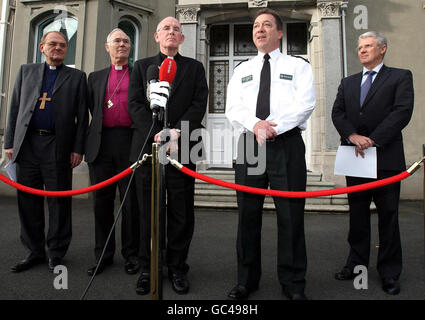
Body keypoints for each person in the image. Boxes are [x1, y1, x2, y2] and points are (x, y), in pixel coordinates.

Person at [225, 8, 315, 300]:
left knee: (290, 217)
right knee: (247, 216)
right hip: (251, 145)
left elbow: (305, 104)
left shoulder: (298, 66)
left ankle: (293, 284)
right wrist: (256, 125)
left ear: (279, 33)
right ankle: (246, 280)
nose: (259, 30)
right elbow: (233, 108)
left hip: (286, 144)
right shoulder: (242, 69)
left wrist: (274, 127)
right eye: (255, 26)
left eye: (266, 25)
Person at [128, 16, 208, 295]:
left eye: (176, 29)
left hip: (184, 145)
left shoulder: (195, 68)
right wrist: (156, 132)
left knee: (180, 210)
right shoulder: (141, 67)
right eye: (166, 29)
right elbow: (135, 104)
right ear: (157, 37)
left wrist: (176, 132)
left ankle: (177, 267)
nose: (172, 32)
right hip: (147, 147)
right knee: (146, 210)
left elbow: (199, 104)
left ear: (182, 38)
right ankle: (148, 268)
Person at [332, 31, 414, 295]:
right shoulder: (348, 82)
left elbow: (402, 112)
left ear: (382, 49)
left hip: (386, 159)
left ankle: (389, 273)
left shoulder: (400, 77)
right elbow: (338, 113)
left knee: (388, 218)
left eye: (368, 46)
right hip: (354, 158)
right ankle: (356, 265)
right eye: (359, 47)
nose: (362, 50)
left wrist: (374, 139)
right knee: (357, 217)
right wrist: (352, 135)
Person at [4, 31, 88, 272]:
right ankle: (34, 251)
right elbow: (15, 108)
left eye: (62, 45)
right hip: (28, 146)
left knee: (58, 203)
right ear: (42, 47)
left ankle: (57, 251)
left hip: (57, 147)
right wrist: (10, 142)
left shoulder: (76, 77)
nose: (58, 48)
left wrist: (77, 148)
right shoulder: (26, 71)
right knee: (28, 201)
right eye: (52, 44)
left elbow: (82, 117)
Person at [85, 28, 140, 276]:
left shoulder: (138, 73)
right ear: (107, 47)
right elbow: (91, 109)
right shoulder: (94, 78)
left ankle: (131, 255)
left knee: (130, 204)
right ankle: (103, 255)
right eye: (117, 41)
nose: (122, 45)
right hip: (101, 144)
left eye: (126, 41)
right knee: (102, 204)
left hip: (130, 143)